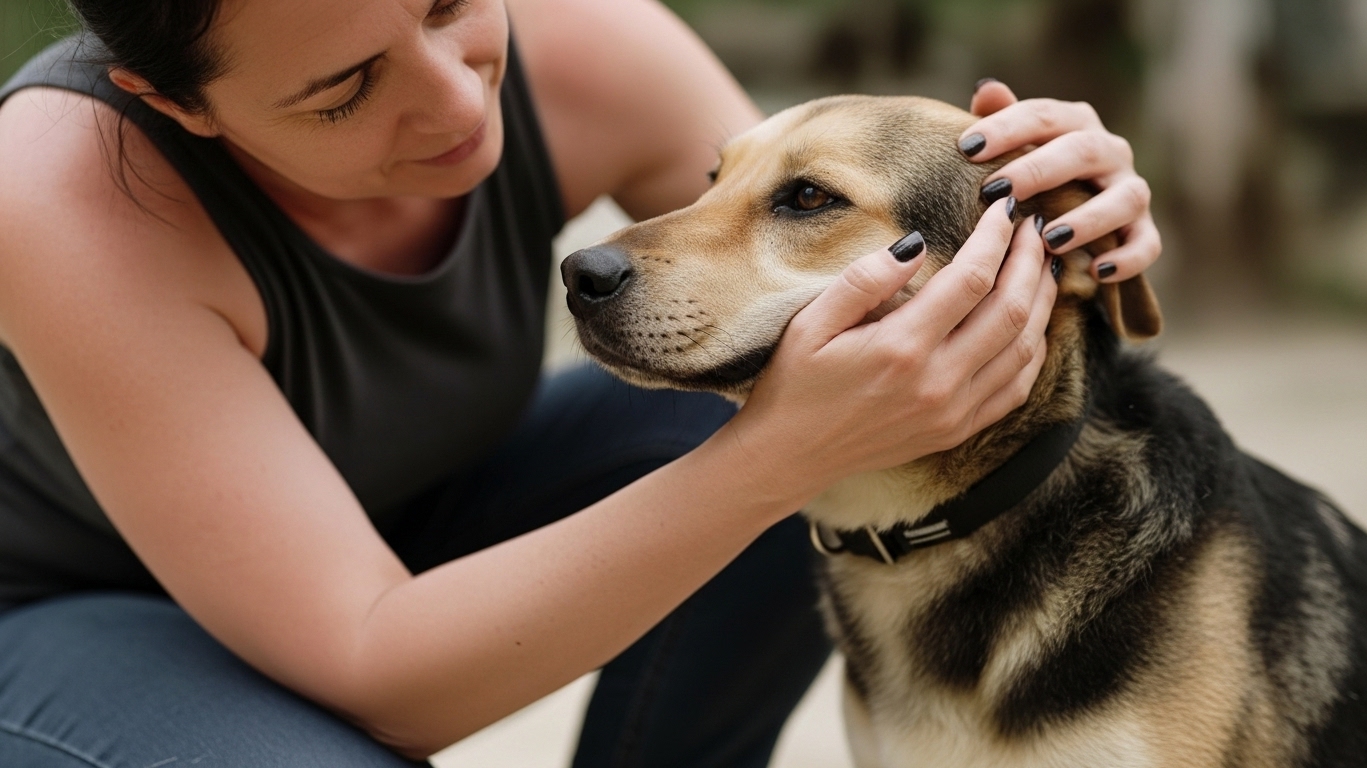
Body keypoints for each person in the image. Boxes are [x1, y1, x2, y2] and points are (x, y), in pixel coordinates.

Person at [0, 0, 1160, 765]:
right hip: (64, 613)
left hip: (410, 511)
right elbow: (378, 673)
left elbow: (838, 264)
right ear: (176, 106)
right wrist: (774, 458)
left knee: (816, 405)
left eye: (450, 4)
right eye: (343, 91)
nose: (460, 103)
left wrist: (1056, 216)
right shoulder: (56, 192)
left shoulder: (585, 41)